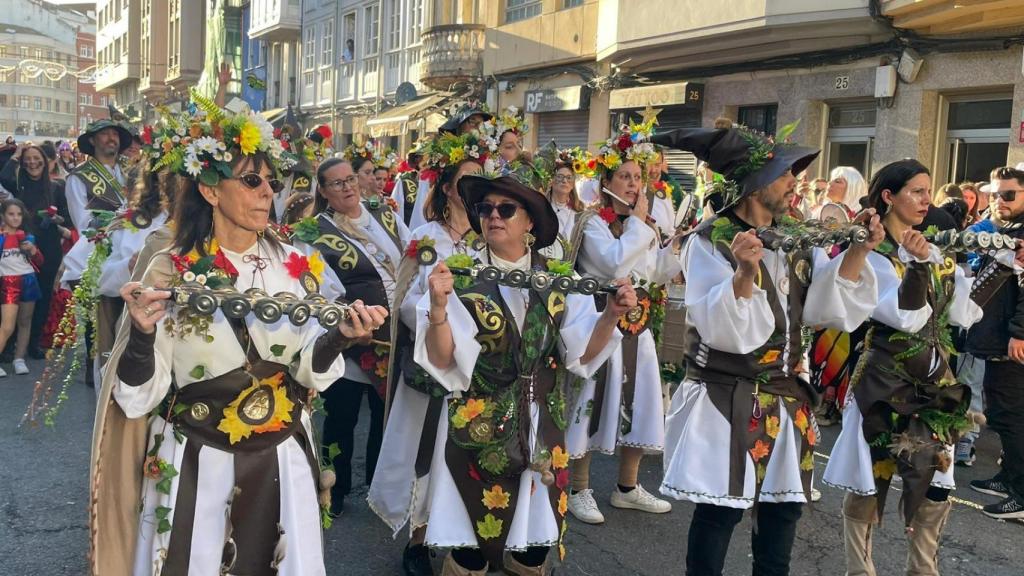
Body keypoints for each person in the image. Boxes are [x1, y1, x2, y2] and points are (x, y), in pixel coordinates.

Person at [88, 101, 388, 576]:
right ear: (209, 189)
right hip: (196, 460)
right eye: (252, 181)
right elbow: (138, 394)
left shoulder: (295, 263)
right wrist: (143, 336)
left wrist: (341, 338)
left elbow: (310, 363)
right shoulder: (170, 268)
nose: (269, 191)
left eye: (272, 181)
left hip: (281, 456)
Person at [652, 125, 882, 576]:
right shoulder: (710, 239)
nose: (794, 180)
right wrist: (742, 272)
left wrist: (860, 249)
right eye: (784, 173)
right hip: (727, 394)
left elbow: (826, 307)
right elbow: (724, 330)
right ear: (756, 180)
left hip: (786, 395)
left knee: (783, 513)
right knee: (721, 512)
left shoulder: (793, 234)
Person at [417, 172, 633, 575]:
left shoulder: (558, 277)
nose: (492, 216)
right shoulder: (458, 275)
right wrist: (439, 310)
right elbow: (444, 359)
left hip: (540, 422)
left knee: (534, 544)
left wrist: (611, 316)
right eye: (485, 209)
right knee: (471, 543)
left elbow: (582, 352)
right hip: (477, 424)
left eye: (505, 209)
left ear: (529, 220)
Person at [823, 159, 990, 575]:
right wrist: (918, 267)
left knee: (936, 482)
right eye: (915, 191)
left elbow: (959, 315)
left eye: (927, 191)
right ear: (888, 196)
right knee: (871, 478)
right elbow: (904, 316)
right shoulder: (871, 252)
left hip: (935, 384)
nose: (924, 200)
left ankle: (922, 569)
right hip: (883, 385)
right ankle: (859, 569)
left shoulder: (931, 249)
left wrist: (997, 272)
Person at [368, 130, 492, 576]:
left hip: (479, 367)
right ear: (445, 187)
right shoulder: (427, 236)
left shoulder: (489, 238)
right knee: (427, 452)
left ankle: (465, 538)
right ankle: (418, 540)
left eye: (483, 177)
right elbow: (403, 302)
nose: (478, 187)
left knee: (469, 454)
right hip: (433, 363)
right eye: (468, 178)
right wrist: (437, 319)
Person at [566, 123, 682, 525]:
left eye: (638, 176)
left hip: (640, 326)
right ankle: (579, 488)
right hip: (601, 324)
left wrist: (675, 248)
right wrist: (640, 225)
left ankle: (627, 488)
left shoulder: (642, 225)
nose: (634, 184)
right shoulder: (592, 222)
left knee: (643, 402)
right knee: (590, 403)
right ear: (607, 181)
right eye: (625, 177)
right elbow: (614, 262)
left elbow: (653, 274)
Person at [309, 157, 410, 519]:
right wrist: (349, 323)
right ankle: (333, 488)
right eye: (336, 184)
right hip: (353, 338)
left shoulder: (384, 216)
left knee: (386, 416)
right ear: (323, 191)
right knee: (341, 417)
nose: (347, 187)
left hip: (396, 333)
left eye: (350, 179)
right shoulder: (315, 232)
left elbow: (412, 258)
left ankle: (377, 486)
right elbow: (319, 289)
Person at [965, 165, 1024, 520]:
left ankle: (1021, 493)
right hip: (995, 337)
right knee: (1002, 414)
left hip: (1011, 341)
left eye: (1008, 194)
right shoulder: (1005, 229)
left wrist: (1020, 332)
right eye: (995, 193)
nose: (999, 201)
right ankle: (1009, 477)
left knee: (1014, 416)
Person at [0, 143, 73, 360]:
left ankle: (33, 343)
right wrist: (17, 153)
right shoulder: (18, 185)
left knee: (41, 297)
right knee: (11, 297)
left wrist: (55, 219)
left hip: (48, 248)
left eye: (37, 159)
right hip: (19, 250)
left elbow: (68, 219)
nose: (33, 163)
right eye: (28, 159)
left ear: (46, 161)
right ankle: (9, 343)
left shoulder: (56, 187)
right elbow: (3, 177)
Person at [0, 199, 43, 376]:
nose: (16, 218)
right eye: (11, 214)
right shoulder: (1, 236)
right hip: (8, 282)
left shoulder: (27, 236)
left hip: (29, 279)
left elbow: (40, 262)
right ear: (3, 216)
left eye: (19, 214)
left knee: (25, 321)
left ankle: (19, 358)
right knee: (7, 325)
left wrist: (33, 250)